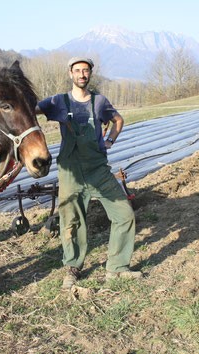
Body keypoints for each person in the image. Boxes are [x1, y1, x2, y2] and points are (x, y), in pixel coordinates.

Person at [36, 57, 142, 289]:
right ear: (70, 74)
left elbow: (118, 120)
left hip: (98, 170)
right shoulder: (57, 101)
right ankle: (73, 267)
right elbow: (29, 110)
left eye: (86, 71)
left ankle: (117, 266)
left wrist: (110, 140)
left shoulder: (99, 101)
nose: (82, 74)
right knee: (71, 221)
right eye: (78, 70)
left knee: (124, 214)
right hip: (70, 172)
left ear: (90, 74)